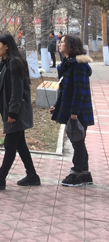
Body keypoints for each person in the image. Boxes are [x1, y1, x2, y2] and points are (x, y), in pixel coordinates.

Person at [0, 34, 40, 190]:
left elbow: (17, 90)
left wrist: (13, 113)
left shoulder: (14, 63)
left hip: (16, 111)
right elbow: (11, 86)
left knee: (10, 144)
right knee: (20, 144)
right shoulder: (6, 63)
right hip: (14, 109)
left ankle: (0, 177)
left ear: (7, 46)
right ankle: (32, 175)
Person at [50, 35, 94, 187]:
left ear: (71, 46)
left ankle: (76, 174)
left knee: (77, 142)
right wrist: (56, 106)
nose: (60, 44)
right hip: (71, 109)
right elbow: (64, 90)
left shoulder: (78, 65)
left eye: (63, 42)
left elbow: (79, 91)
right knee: (78, 142)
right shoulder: (66, 64)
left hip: (79, 111)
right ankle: (85, 174)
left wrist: (74, 112)